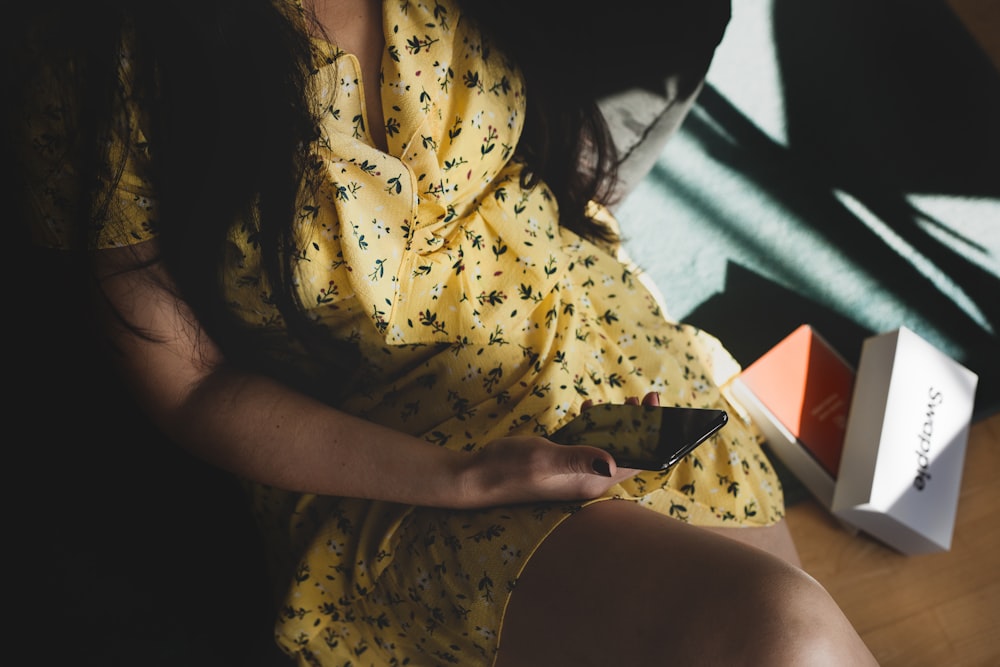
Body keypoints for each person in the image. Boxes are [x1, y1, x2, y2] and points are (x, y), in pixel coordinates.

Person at [8, 0, 878, 664]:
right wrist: (461, 478)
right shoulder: (107, 71)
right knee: (786, 630)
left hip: (600, 333)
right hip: (394, 450)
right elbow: (192, 386)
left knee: (792, 619)